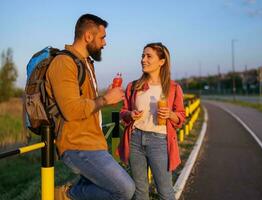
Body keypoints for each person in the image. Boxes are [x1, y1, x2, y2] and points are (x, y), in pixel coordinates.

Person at [45, 14, 135, 200]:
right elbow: (71, 110)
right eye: (102, 37)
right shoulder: (64, 63)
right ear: (88, 36)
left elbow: (87, 105)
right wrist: (105, 100)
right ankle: (67, 195)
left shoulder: (86, 64)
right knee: (125, 189)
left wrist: (104, 96)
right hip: (77, 144)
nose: (105, 43)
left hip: (94, 142)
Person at [117, 42, 186, 200]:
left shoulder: (173, 88)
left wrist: (170, 114)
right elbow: (123, 112)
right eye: (142, 55)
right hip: (135, 140)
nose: (143, 59)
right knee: (139, 192)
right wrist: (130, 114)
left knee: (165, 192)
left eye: (149, 56)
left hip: (160, 141)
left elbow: (181, 116)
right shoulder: (134, 86)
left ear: (162, 62)